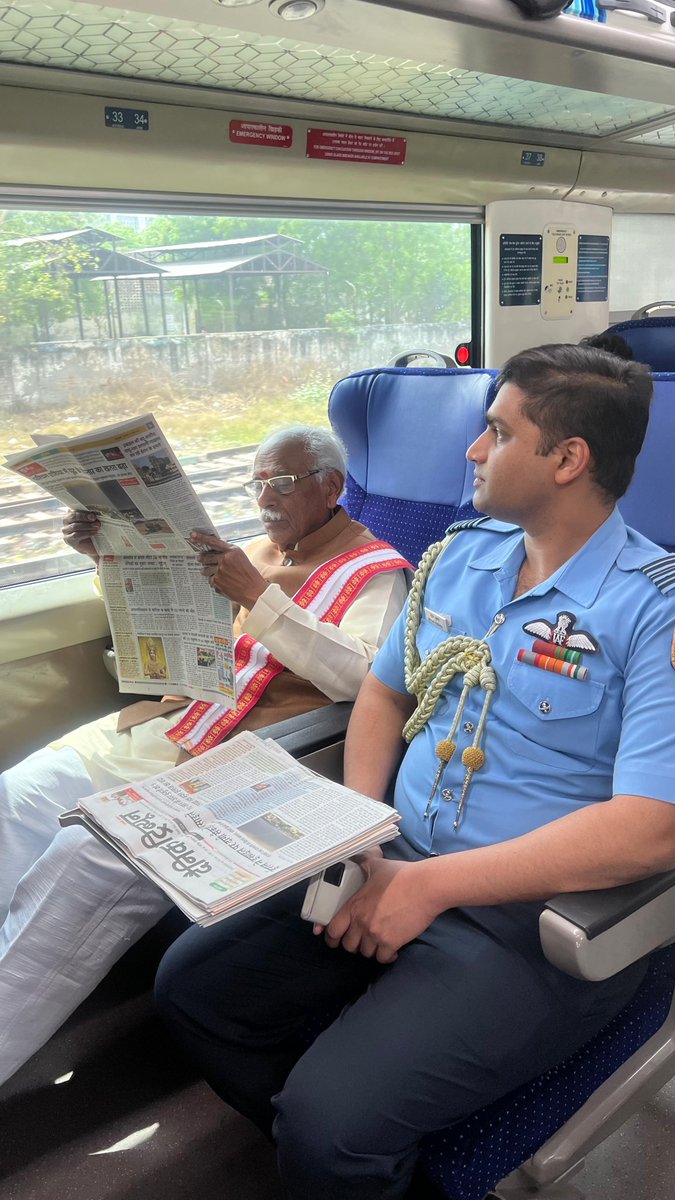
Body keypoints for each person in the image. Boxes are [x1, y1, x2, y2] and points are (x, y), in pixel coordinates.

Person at [155, 344, 675, 1200]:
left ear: (566, 459)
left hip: (527, 920)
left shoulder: (651, 607)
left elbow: (651, 827)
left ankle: (344, 1142)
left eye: (497, 432)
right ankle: (361, 1150)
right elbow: (382, 697)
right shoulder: (459, 557)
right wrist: (359, 832)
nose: (471, 450)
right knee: (193, 987)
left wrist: (430, 889)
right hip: (389, 856)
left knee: (331, 1128)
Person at [0, 425, 410, 1086]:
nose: (262, 497)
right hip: (180, 725)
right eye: (255, 481)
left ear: (330, 487)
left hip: (257, 756)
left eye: (280, 481)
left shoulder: (376, 573)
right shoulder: (251, 551)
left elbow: (366, 683)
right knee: (17, 791)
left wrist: (257, 596)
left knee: (87, 857)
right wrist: (109, 560)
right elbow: (175, 632)